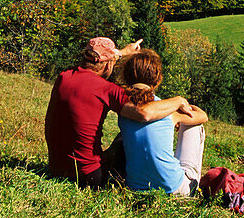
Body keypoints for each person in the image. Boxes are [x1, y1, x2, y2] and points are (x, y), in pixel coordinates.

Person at [44, 37, 193, 187]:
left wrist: (123, 52)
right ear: (108, 65)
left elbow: (102, 59)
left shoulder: (64, 77)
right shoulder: (105, 89)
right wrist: (178, 101)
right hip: (88, 176)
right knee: (123, 139)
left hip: (56, 169)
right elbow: (144, 113)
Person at [118, 48, 208, 196]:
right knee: (195, 126)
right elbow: (202, 116)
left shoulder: (123, 109)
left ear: (126, 76)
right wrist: (182, 105)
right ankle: (193, 183)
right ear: (157, 79)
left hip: (135, 187)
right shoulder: (170, 110)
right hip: (174, 189)